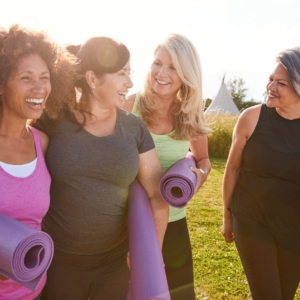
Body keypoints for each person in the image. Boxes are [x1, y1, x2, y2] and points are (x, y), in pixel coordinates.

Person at [35, 36, 169, 300]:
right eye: (121, 74)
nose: (130, 83)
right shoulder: (52, 121)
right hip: (59, 260)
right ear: (92, 79)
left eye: (129, 74)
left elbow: (157, 195)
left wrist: (150, 254)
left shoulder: (133, 128)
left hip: (114, 264)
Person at [123, 33, 211, 300]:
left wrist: (199, 177)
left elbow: (203, 159)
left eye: (172, 67)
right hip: (128, 223)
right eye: (157, 63)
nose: (161, 72)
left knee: (181, 295)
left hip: (173, 223)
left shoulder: (191, 113)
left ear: (186, 73)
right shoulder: (130, 105)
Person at [0, 25, 73, 300]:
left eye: (45, 77)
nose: (39, 87)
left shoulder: (42, 143)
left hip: (33, 291)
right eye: (26, 77)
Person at [222, 47, 300, 300]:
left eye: (281, 83)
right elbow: (232, 168)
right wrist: (227, 216)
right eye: (270, 79)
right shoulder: (251, 118)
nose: (271, 87)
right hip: (252, 222)